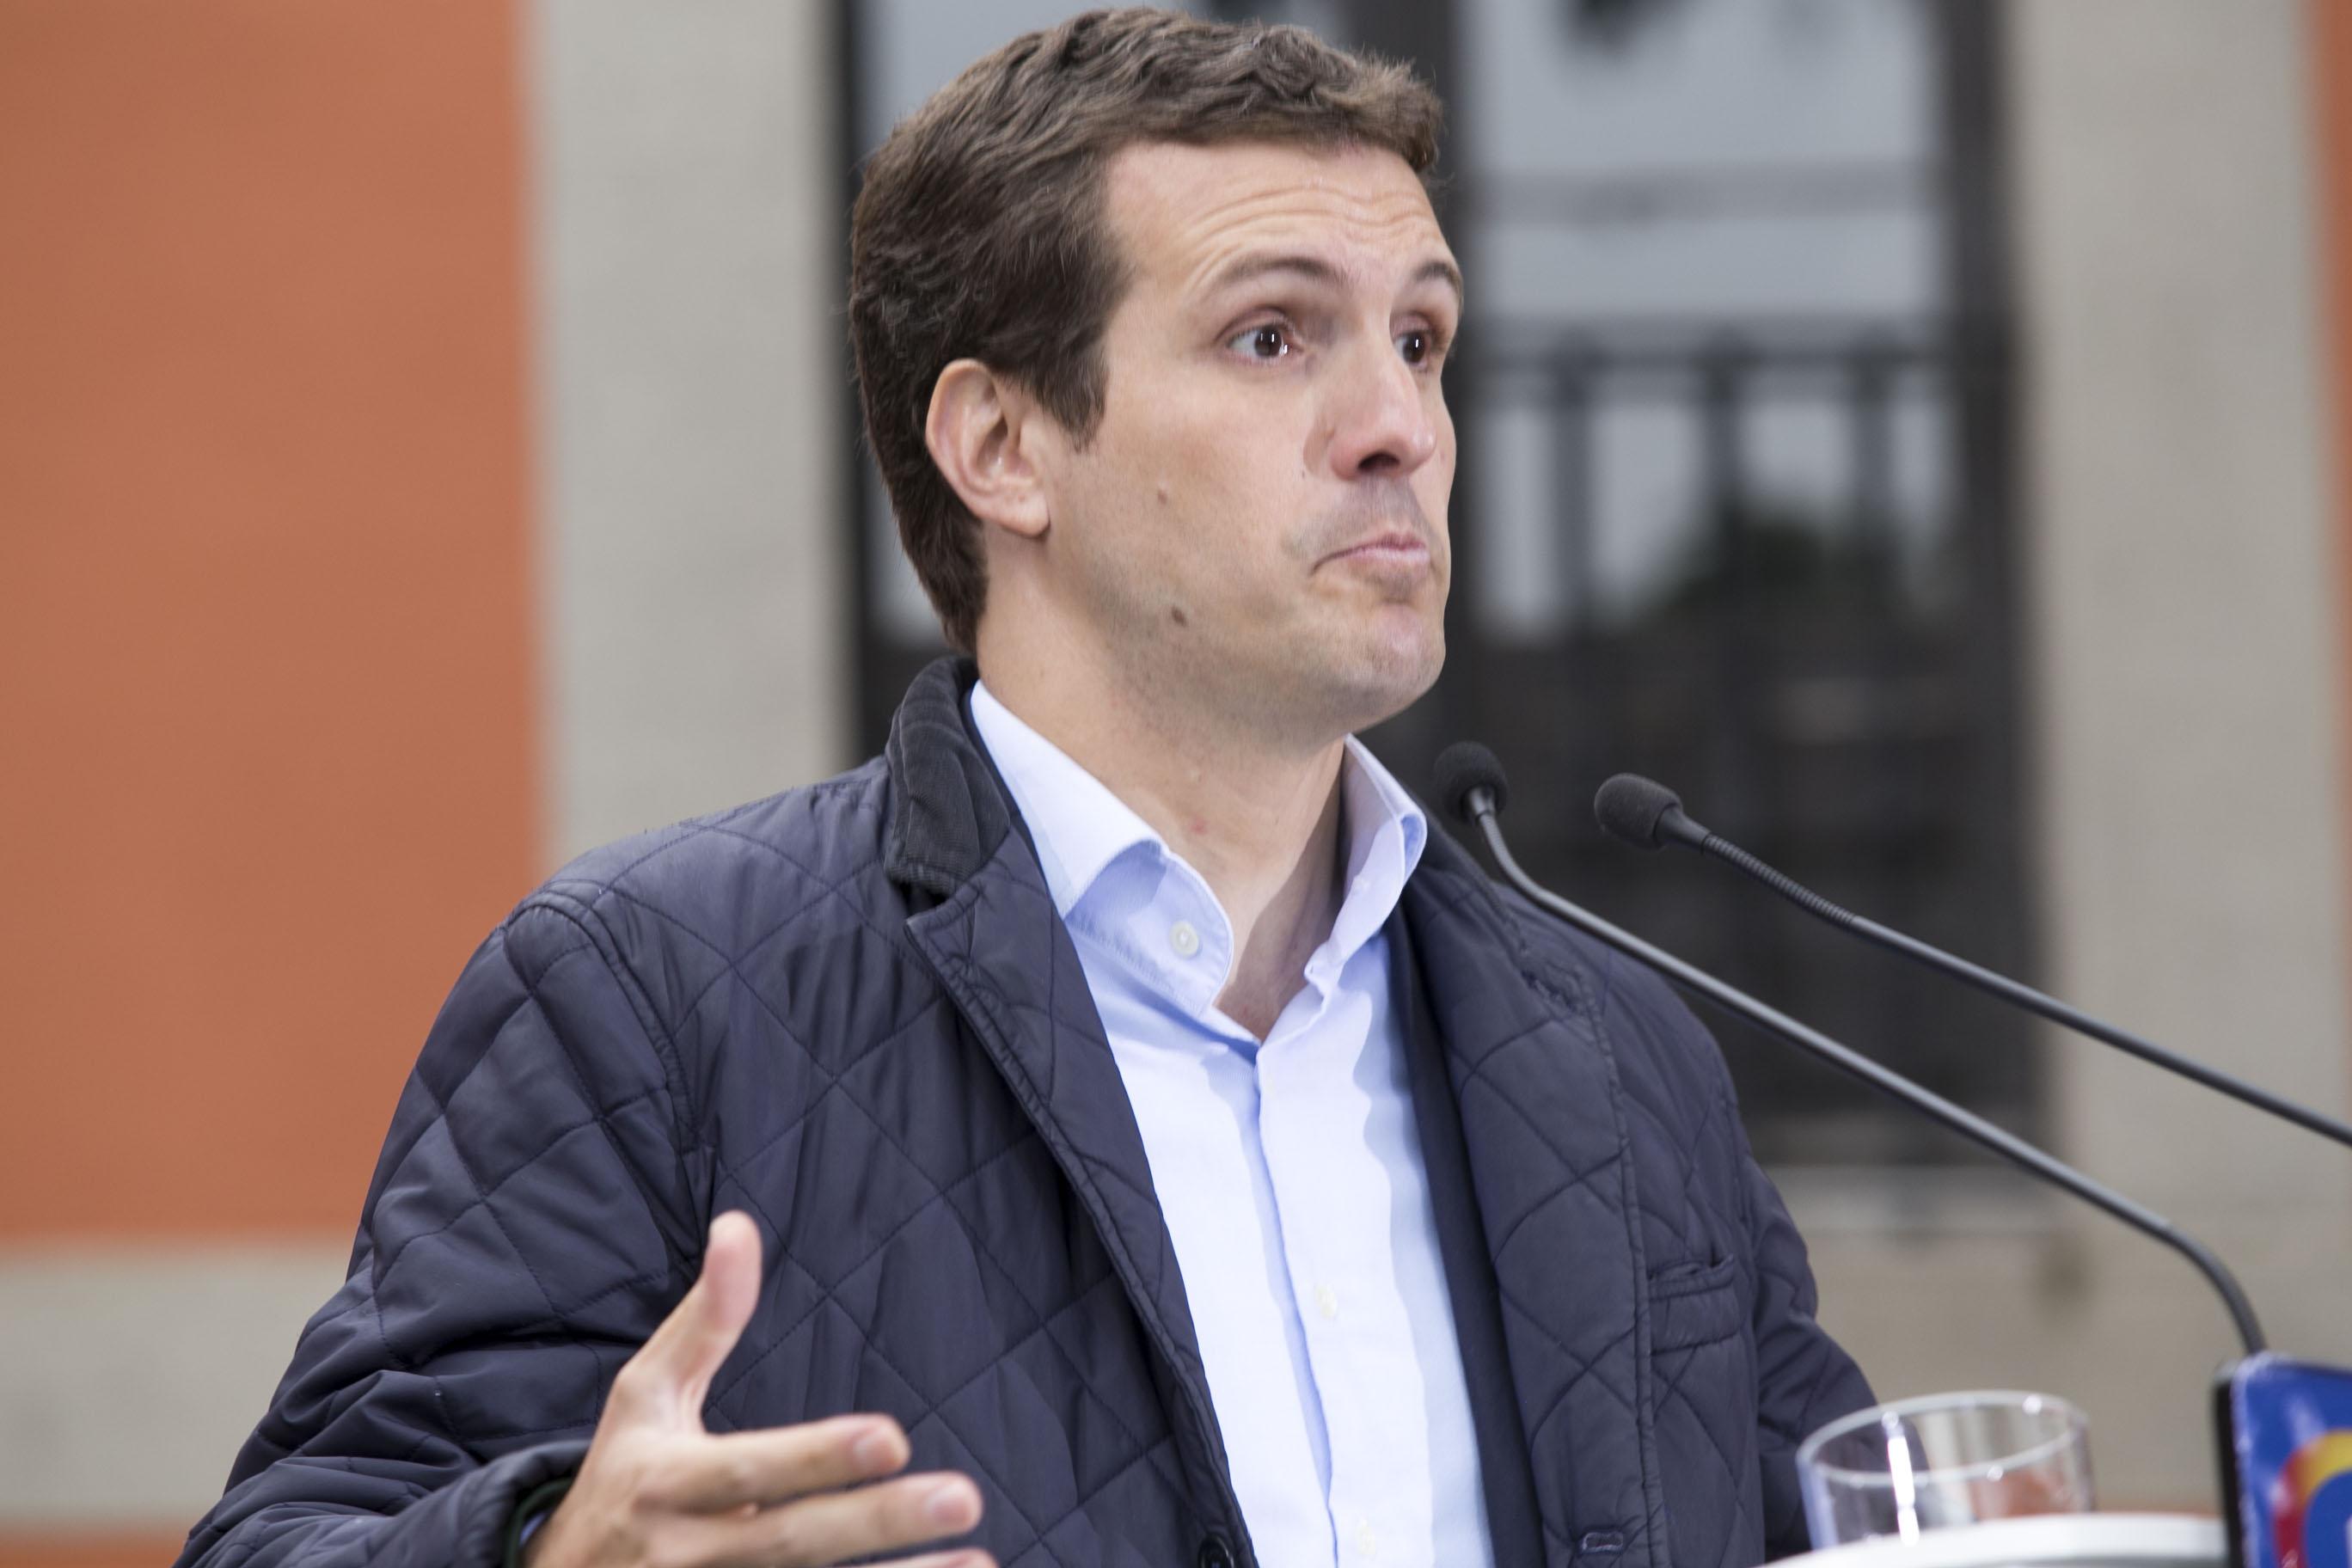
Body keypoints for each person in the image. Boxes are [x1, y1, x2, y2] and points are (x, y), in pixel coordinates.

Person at [176, 11, 1871, 1568]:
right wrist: (545, 1554)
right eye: (1275, 335)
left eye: (1421, 341)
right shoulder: (649, 996)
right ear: (998, 447)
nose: (1400, 427)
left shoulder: (1620, 1056)